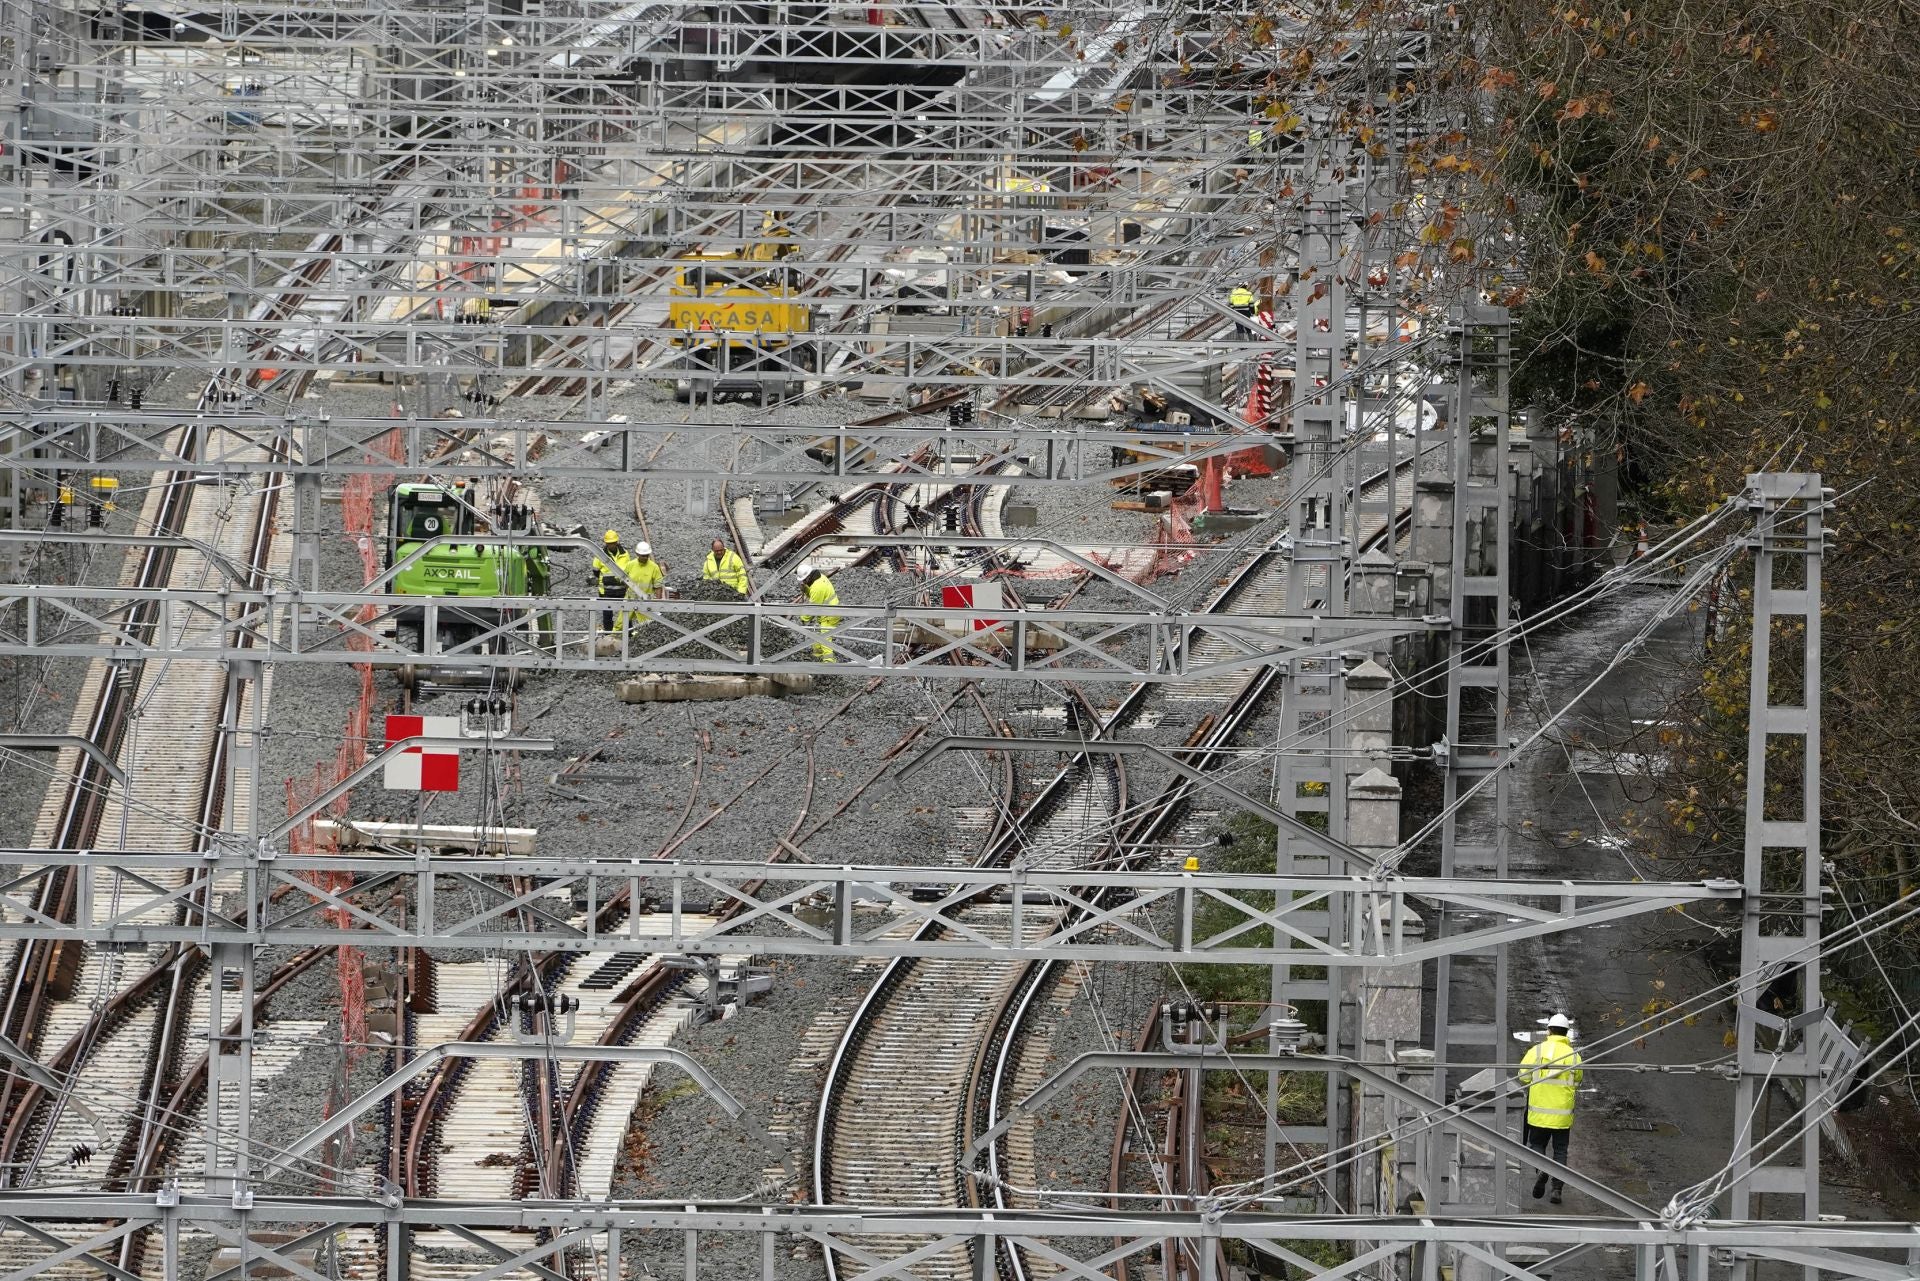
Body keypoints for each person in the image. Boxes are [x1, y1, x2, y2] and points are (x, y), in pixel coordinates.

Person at [1518, 1013, 1584, 1204]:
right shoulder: (1573, 1056)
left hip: (1538, 1113)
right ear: (1566, 1033)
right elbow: (1579, 1079)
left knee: (1537, 1145)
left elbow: (1523, 1077)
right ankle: (1556, 1190)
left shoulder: (1536, 1051)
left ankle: (1542, 1171)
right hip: (1562, 1115)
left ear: (1548, 1030)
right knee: (1561, 1150)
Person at [591, 530, 641, 633]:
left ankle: (629, 633)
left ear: (617, 542)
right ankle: (609, 633)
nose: (611, 545)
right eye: (609, 543)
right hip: (606, 590)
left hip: (622, 589)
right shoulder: (599, 554)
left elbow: (629, 569)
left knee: (626, 611)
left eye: (613, 543)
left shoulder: (625, 553)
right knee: (607, 613)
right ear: (606, 543)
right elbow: (596, 571)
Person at [798, 563, 840, 662]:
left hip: (830, 614)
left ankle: (828, 663)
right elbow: (813, 595)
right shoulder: (820, 577)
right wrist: (806, 589)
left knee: (825, 638)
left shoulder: (817, 587)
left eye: (804, 580)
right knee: (817, 636)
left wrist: (804, 618)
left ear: (808, 577)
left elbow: (813, 607)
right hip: (827, 611)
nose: (803, 582)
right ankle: (817, 657)